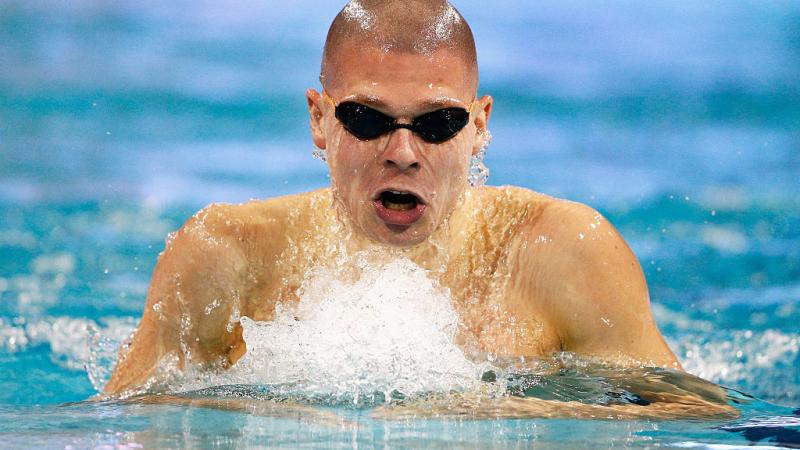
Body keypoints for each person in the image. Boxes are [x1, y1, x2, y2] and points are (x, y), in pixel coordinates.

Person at [104, 0, 682, 397]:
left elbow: (691, 419)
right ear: (318, 120)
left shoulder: (563, 253)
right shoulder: (224, 256)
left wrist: (484, 413)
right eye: (365, 118)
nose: (403, 151)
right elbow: (123, 426)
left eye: (438, 123)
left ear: (479, 126)